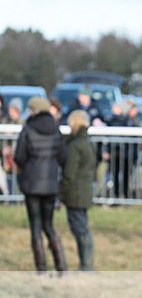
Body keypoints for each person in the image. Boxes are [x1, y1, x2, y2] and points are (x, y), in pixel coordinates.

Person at [14, 96, 68, 273]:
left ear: (34, 110)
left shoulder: (28, 129)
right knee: (49, 225)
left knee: (36, 226)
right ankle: (61, 265)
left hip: (31, 184)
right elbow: (63, 157)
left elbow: (19, 157)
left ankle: (41, 268)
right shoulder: (56, 129)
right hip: (51, 184)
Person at [59, 109, 96, 271]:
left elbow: (69, 174)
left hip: (75, 193)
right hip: (85, 191)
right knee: (83, 228)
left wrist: (61, 194)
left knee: (80, 230)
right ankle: (86, 263)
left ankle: (86, 265)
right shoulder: (89, 142)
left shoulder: (75, 146)